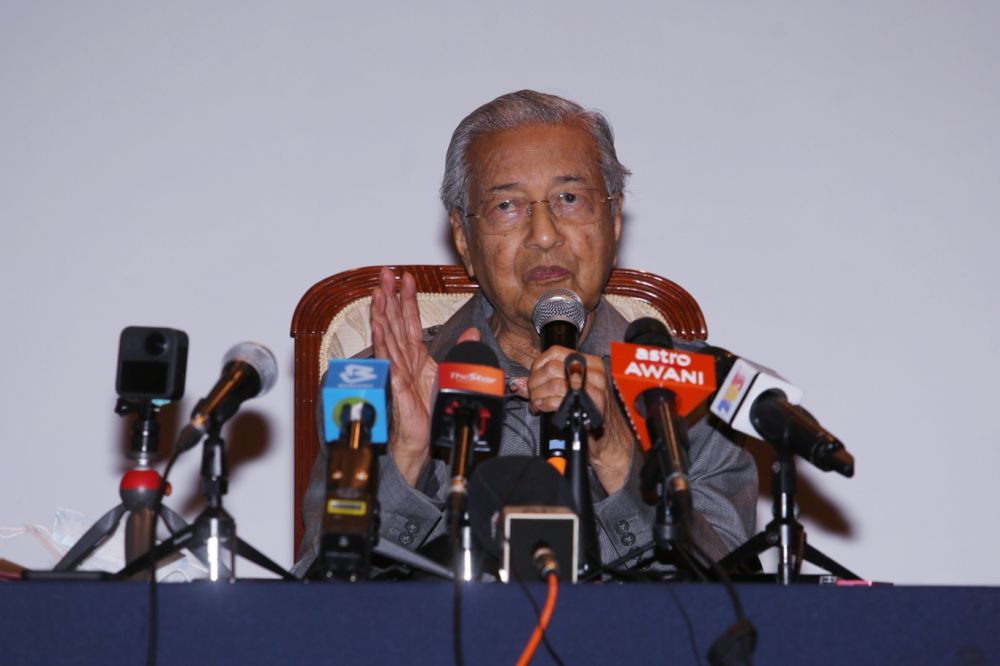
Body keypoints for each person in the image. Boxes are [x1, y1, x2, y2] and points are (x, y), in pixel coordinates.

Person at [295, 90, 757, 576]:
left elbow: (735, 596)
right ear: (463, 239)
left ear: (614, 221)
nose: (543, 233)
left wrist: (621, 456)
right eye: (507, 206)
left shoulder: (690, 394)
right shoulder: (378, 387)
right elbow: (318, 608)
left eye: (570, 198)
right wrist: (406, 462)